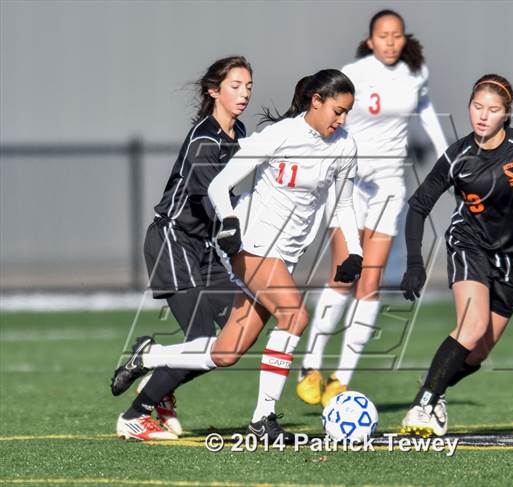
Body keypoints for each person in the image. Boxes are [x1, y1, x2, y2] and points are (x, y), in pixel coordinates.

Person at [111, 69, 363, 443]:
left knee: (225, 353)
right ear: (316, 101)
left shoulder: (345, 146)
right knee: (294, 316)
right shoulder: (281, 136)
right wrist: (229, 222)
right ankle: (263, 420)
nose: (341, 120)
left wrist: (355, 250)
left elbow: (343, 204)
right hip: (253, 245)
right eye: (337, 111)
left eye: (346, 113)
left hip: (286, 256)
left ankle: (148, 359)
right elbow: (219, 185)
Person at [398, 73, 513, 436]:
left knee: (478, 352)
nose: (482, 116)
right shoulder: (458, 156)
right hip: (470, 243)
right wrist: (414, 263)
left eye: (493, 109)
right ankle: (422, 406)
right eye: (477, 106)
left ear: (506, 114)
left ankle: (437, 383)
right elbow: (418, 206)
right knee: (472, 326)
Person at [296, 9, 448, 407]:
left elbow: (426, 110)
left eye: (396, 35)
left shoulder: (416, 73)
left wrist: (446, 154)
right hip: (350, 184)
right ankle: (310, 364)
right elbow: (330, 118)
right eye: (383, 35)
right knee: (343, 274)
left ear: (403, 38)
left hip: (389, 187)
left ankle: (340, 379)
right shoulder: (354, 75)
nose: (390, 42)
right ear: (370, 40)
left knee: (370, 282)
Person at [111, 56, 254, 441]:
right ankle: (135, 415)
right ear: (214, 91)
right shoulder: (205, 139)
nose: (244, 94)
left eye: (248, 87)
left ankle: (158, 382)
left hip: (204, 247)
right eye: (235, 86)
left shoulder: (238, 131)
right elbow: (212, 196)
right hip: (173, 241)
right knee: (203, 341)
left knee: (235, 336)